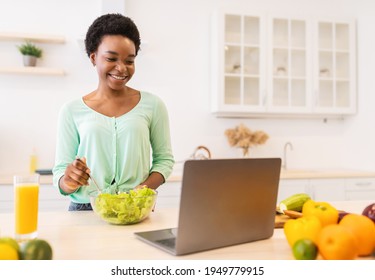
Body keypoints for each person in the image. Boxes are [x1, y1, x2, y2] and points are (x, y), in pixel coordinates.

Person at [52, 13, 175, 211]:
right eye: (111, 58)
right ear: (93, 57)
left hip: (136, 207)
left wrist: (142, 190)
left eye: (129, 61)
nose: (121, 68)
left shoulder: (153, 105)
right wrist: (69, 180)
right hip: (86, 208)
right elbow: (60, 174)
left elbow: (165, 161)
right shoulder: (71, 111)